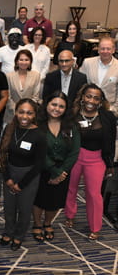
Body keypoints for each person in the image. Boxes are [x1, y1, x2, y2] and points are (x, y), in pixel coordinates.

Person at [64, 84, 116, 240]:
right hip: (75, 157)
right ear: (82, 97)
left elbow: (111, 141)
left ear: (100, 101)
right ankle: (70, 215)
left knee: (94, 194)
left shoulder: (108, 117)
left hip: (96, 159)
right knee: (71, 188)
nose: (91, 100)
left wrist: (110, 164)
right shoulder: (72, 115)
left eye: (96, 98)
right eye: (88, 96)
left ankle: (95, 226)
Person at [0, 99, 46, 251]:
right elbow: (2, 155)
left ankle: (18, 235)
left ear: (34, 115)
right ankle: (8, 231)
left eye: (29, 113)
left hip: (29, 176)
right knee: (9, 208)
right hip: (10, 173)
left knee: (25, 209)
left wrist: (21, 184)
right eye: (21, 112)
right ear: (16, 113)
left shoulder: (39, 135)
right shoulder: (9, 129)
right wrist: (8, 179)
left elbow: (39, 164)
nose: (24, 116)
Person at [32, 91, 80, 242]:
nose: (56, 109)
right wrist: (54, 171)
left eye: (61, 106)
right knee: (39, 199)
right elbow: (37, 150)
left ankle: (48, 223)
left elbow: (75, 151)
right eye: (54, 104)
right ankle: (38, 223)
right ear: (47, 104)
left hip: (63, 171)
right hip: (41, 169)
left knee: (55, 200)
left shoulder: (72, 125)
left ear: (66, 109)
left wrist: (62, 172)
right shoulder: (37, 124)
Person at [80, 37, 118, 116]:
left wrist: (114, 109)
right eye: (102, 48)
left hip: (109, 109)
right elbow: (80, 85)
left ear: (113, 50)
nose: (105, 51)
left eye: (108, 49)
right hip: (87, 107)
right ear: (98, 50)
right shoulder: (87, 63)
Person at [4, 50, 41, 124]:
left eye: (26, 60)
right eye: (21, 60)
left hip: (29, 114)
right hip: (12, 114)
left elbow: (35, 96)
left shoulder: (36, 75)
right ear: (16, 61)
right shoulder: (9, 76)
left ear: (30, 62)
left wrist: (26, 110)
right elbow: (8, 97)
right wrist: (18, 111)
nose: (24, 62)